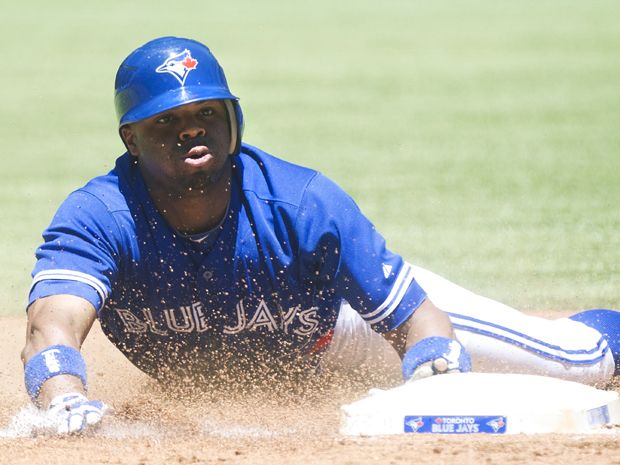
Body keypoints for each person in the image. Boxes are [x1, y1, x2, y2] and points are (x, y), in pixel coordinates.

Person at [21, 36, 620, 435]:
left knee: (580, 359)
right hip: (261, 389)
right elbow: (52, 328)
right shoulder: (100, 215)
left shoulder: (300, 202)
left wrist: (435, 373)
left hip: (348, 335)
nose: (191, 129)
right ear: (130, 137)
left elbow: (417, 323)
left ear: (233, 120)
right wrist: (63, 397)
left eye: (206, 112)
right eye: (168, 120)